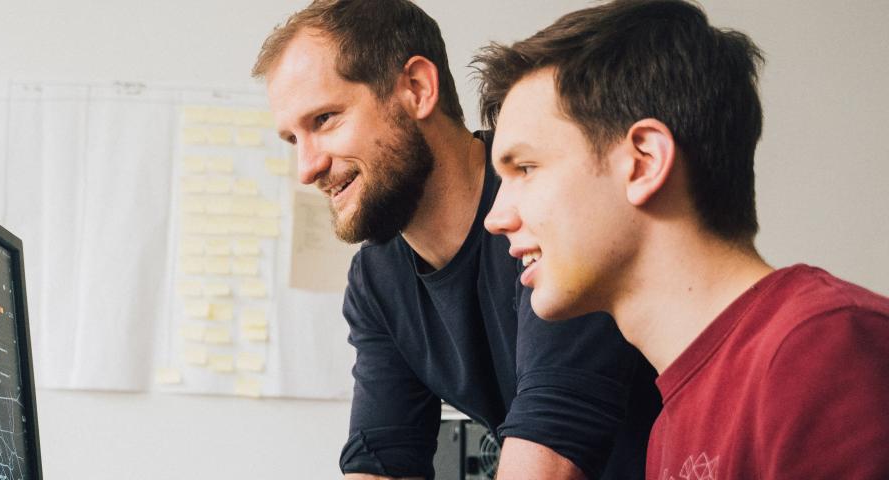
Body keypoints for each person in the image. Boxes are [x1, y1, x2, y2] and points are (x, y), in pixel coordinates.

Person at [474, 0, 889, 478]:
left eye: (525, 168)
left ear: (645, 162)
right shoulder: (670, 426)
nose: (497, 218)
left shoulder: (824, 352)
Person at [252, 1, 660, 478]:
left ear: (417, 88)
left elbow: (551, 444)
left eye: (324, 119)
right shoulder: (378, 277)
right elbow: (383, 455)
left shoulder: (549, 212)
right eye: (292, 139)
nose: (307, 168)